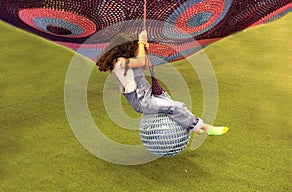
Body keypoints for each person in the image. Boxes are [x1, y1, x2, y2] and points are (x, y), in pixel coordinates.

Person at [96, 30, 229, 136]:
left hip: (148, 95)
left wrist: (144, 48)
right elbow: (141, 62)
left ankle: (195, 128)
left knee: (173, 105)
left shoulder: (127, 60)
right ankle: (204, 128)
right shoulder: (120, 63)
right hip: (142, 101)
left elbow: (145, 64)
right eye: (134, 47)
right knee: (176, 107)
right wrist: (141, 43)